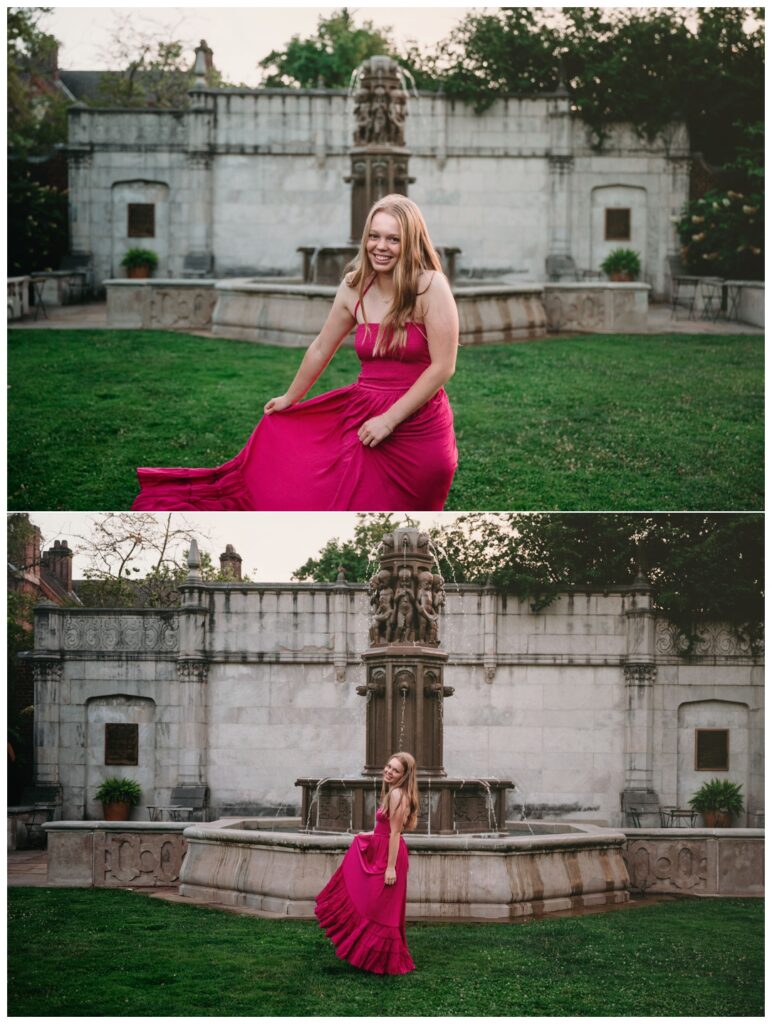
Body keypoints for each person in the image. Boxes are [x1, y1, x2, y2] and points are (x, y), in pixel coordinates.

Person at [131, 195, 459, 511]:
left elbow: (443, 366)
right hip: (363, 413)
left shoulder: (429, 286)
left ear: (411, 242)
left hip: (419, 421)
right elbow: (320, 348)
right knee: (345, 498)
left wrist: (388, 420)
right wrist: (291, 396)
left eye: (393, 239)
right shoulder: (354, 286)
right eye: (374, 236)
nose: (380, 247)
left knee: (417, 508)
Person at [314, 751, 419, 975]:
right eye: (388, 766)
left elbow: (394, 834)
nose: (389, 771)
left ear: (404, 775)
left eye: (395, 770)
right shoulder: (393, 793)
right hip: (382, 847)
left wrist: (390, 868)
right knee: (376, 905)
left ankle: (381, 959)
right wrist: (369, 834)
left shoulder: (398, 795)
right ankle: (374, 958)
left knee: (380, 907)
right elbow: (385, 829)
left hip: (389, 855)